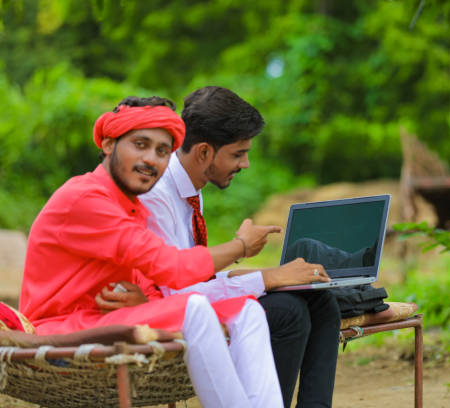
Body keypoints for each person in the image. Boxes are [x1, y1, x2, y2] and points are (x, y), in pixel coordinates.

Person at [19, 96, 325, 408]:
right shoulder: (86, 197)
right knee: (195, 308)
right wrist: (241, 247)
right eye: (140, 144)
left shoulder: (131, 204)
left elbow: (150, 281)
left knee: (246, 311)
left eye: (162, 151)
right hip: (61, 327)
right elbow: (170, 267)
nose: (151, 159)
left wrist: (145, 300)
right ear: (109, 144)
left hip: (111, 318)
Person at [95, 86, 341, 408]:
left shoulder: (192, 187)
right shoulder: (156, 194)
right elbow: (176, 292)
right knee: (287, 312)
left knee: (319, 298)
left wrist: (271, 274)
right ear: (203, 153)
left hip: (186, 297)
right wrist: (262, 274)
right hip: (163, 308)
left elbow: (195, 276)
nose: (246, 164)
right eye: (238, 154)